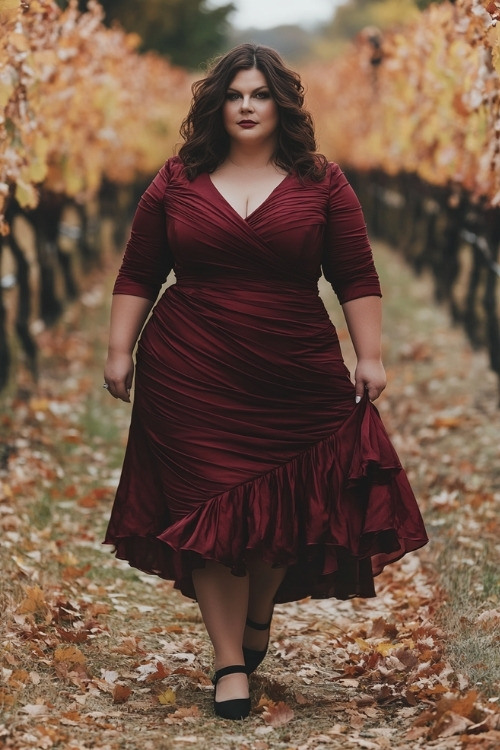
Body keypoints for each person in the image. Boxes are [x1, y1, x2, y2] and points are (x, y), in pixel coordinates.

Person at [103, 43, 428, 721]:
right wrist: (119, 350)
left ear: (282, 104)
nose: (247, 106)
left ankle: (258, 618)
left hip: (294, 366)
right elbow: (138, 272)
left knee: (286, 499)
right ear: (215, 104)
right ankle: (228, 662)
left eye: (259, 94)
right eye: (234, 94)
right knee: (206, 509)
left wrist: (369, 358)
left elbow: (355, 276)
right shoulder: (176, 180)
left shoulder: (322, 182)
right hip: (189, 365)